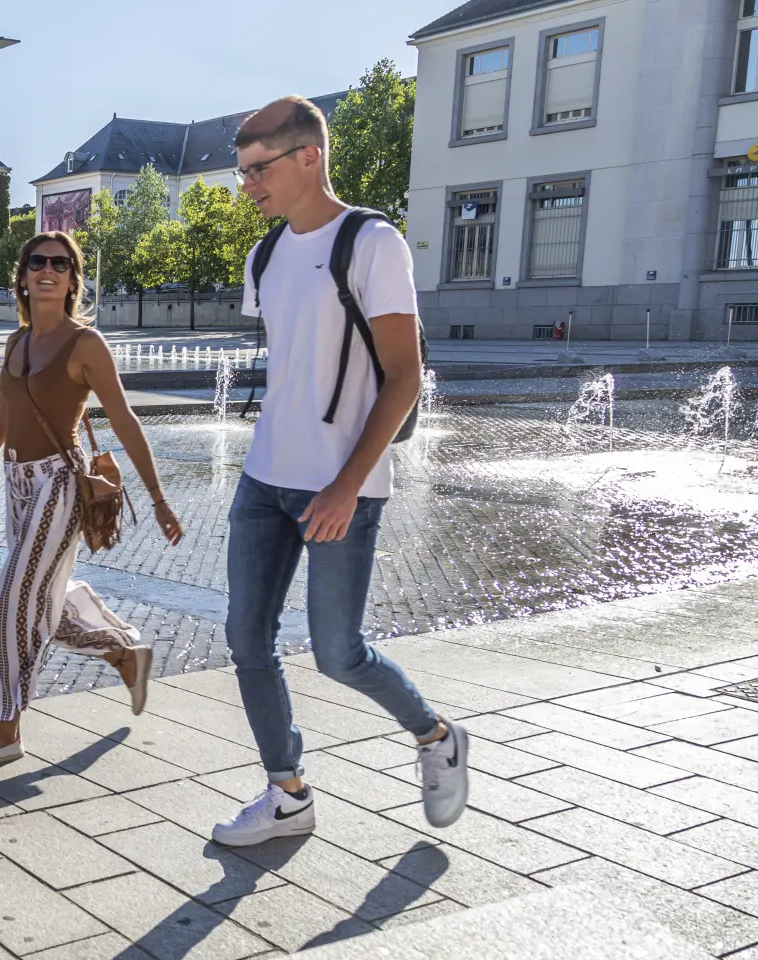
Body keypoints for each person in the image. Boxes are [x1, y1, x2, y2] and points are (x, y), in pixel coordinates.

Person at [211, 96, 467, 847]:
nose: (248, 186)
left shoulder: (372, 241)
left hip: (339, 485)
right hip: (265, 476)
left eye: (259, 169)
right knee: (246, 637)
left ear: (308, 158)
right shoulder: (265, 255)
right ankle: (287, 793)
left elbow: (404, 377)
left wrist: (348, 484)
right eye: (243, 173)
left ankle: (435, 735)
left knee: (338, 653)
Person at [0, 231, 185, 769]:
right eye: (38, 261)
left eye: (60, 264)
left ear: (72, 279)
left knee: (11, 600)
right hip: (16, 483)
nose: (48, 269)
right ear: (22, 275)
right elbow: (2, 423)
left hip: (59, 485)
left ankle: (6, 729)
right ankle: (122, 652)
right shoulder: (16, 343)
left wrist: (157, 496)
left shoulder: (85, 344)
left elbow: (124, 418)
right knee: (42, 596)